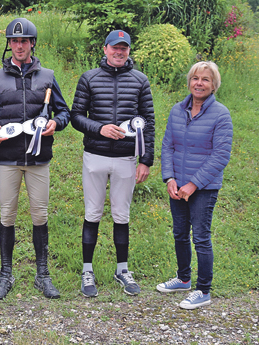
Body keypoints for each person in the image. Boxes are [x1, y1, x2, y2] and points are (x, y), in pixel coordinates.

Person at [0, 17, 71, 300]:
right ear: (9, 44)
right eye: (14, 41)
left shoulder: (48, 76)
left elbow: (63, 111)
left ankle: (42, 275)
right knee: (7, 215)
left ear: (32, 43)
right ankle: (6, 274)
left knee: (40, 215)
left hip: (39, 158)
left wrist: (58, 123)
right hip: (7, 158)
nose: (19, 45)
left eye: (24, 41)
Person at [71, 30, 155, 298]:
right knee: (92, 213)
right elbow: (75, 116)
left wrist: (146, 160)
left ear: (129, 51)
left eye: (124, 48)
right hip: (95, 155)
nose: (119, 52)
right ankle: (87, 270)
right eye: (115, 48)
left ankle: (122, 269)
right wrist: (100, 129)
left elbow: (148, 123)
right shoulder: (89, 78)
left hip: (126, 158)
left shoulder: (141, 81)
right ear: (105, 49)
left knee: (121, 215)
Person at [157, 61, 233, 310]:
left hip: (204, 188)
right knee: (179, 234)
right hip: (177, 185)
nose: (199, 83)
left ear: (214, 85)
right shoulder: (177, 110)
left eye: (206, 79)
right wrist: (169, 178)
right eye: (195, 78)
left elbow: (221, 155)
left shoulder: (220, 114)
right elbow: (168, 145)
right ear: (189, 82)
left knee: (200, 237)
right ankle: (183, 279)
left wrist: (193, 184)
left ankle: (203, 290)